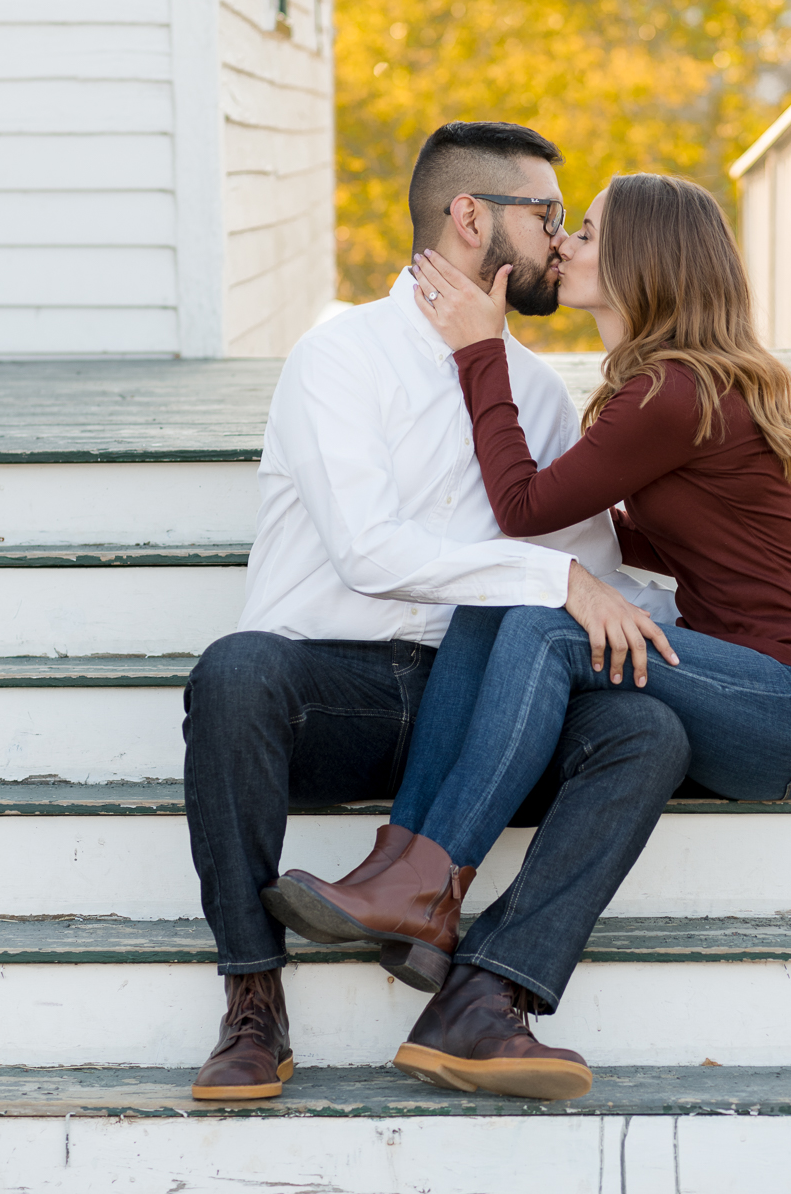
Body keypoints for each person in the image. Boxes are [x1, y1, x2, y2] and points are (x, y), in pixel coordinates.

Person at [289, 173, 791, 1094]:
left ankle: (430, 884)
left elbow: (522, 510)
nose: (565, 247)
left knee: (543, 611)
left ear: (641, 261)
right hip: (725, 688)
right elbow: (612, 534)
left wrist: (481, 354)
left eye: (586, 233)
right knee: (512, 604)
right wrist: (562, 568)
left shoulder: (675, 393)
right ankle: (425, 905)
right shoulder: (664, 392)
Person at [185, 123, 691, 1105]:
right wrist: (546, 582)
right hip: (339, 689)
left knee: (648, 727)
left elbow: (593, 579)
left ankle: (485, 995)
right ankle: (254, 1000)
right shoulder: (339, 357)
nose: (560, 238)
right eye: (547, 215)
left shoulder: (542, 397)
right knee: (235, 668)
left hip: (490, 710)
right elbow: (371, 554)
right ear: (470, 217)